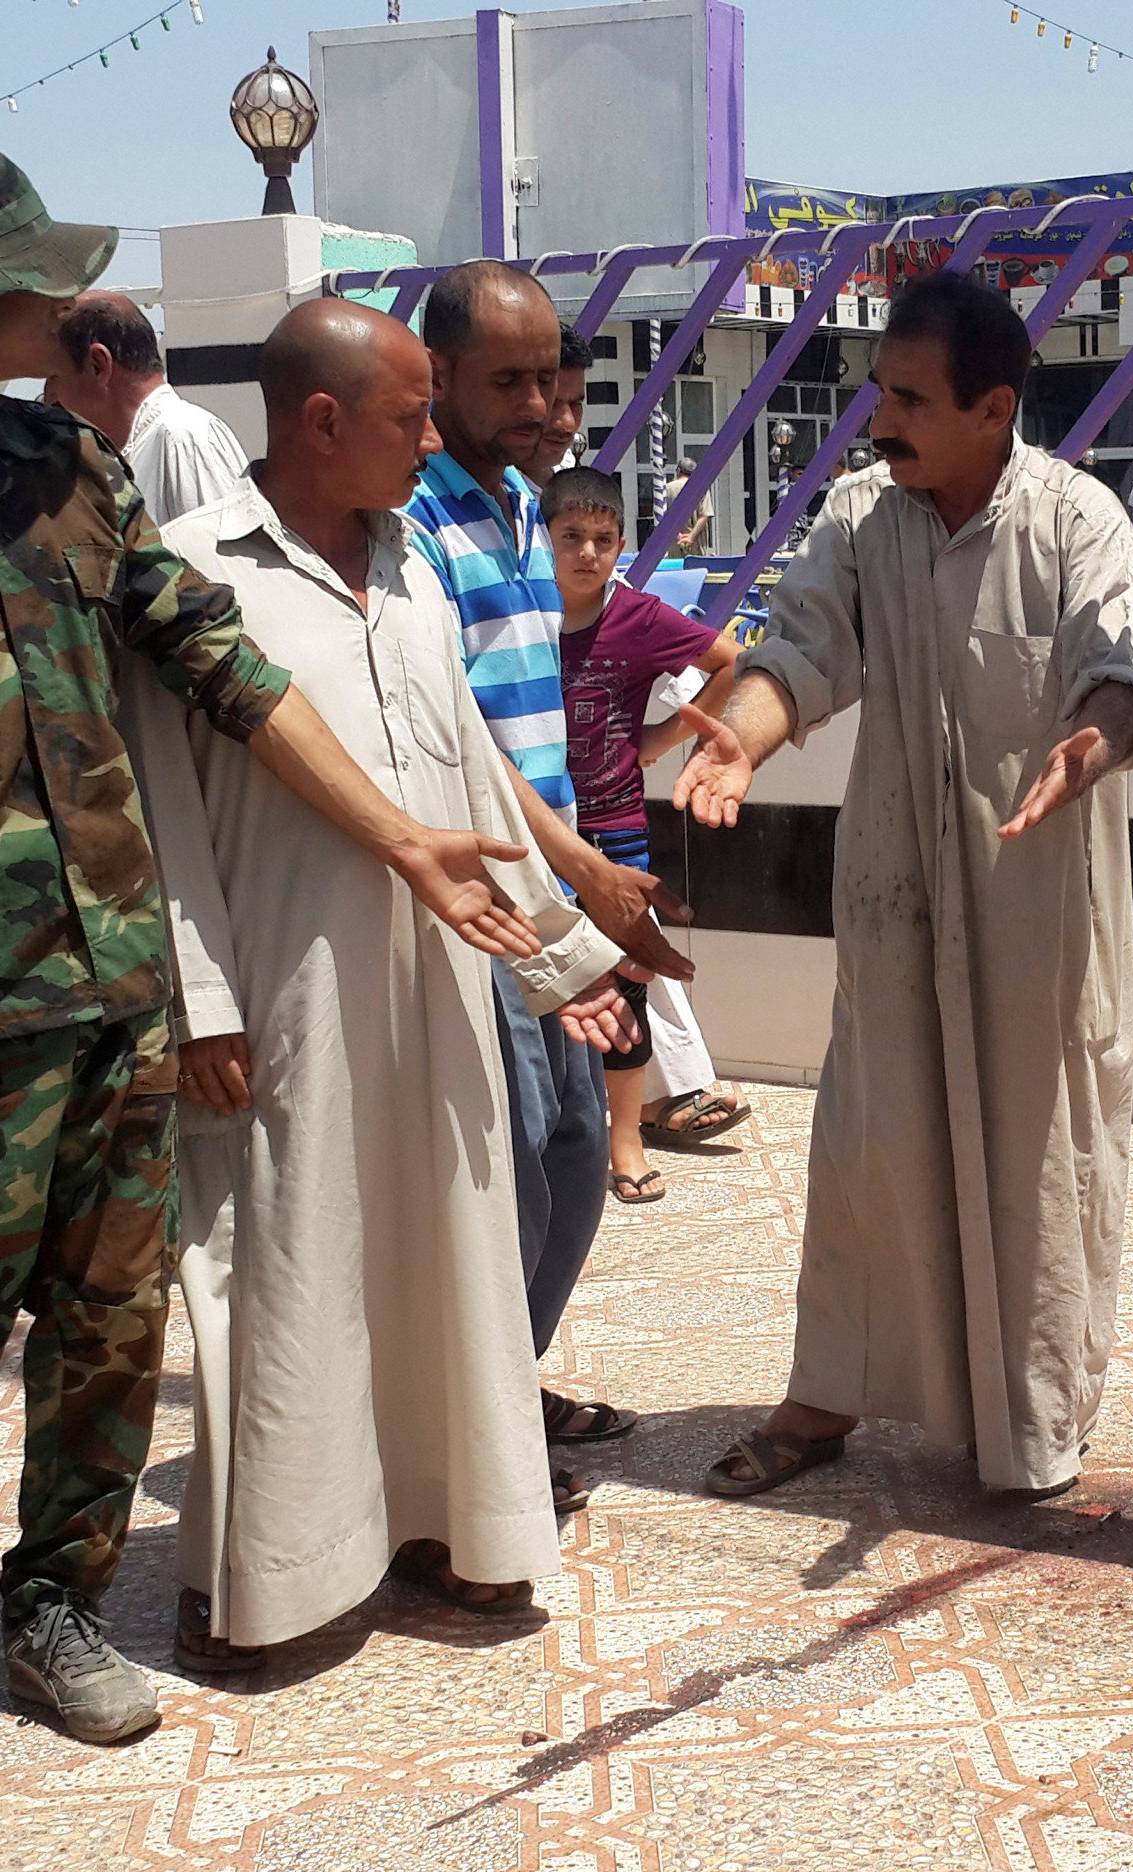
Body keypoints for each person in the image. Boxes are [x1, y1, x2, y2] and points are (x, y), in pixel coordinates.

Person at [0, 157, 544, 1743]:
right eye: (34, 277)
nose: (58, 302)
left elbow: (226, 668)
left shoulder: (67, 469)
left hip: (101, 987)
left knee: (109, 1331)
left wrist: (404, 841)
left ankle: (50, 1602)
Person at [121, 301, 643, 1670]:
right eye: (411, 414)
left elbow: (469, 768)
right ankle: (272, 1577)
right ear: (322, 421)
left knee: (444, 1256)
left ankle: (446, 1525)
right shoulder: (188, 572)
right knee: (284, 1271)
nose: (431, 437)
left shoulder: (409, 562)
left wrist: (558, 953)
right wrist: (203, 1000)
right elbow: (158, 813)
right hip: (285, 983)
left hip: (439, 980)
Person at [676, 273, 1133, 1503]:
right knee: (867, 1146)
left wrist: (1090, 743)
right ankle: (824, 1395)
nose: (878, 419)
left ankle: (1031, 1429)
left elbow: (1123, 668)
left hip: (1037, 920)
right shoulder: (859, 518)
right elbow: (798, 650)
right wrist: (744, 733)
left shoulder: (1078, 522)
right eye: (876, 391)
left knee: (1044, 1159)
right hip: (896, 907)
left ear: (994, 406)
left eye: (908, 397)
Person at [405, 261, 692, 1492]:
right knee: (514, 1166)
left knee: (577, 1149)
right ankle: (466, 1441)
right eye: (509, 381)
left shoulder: (523, 510)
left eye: (549, 380)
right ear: (440, 381)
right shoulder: (413, 524)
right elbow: (455, 738)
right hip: (491, 908)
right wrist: (568, 866)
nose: (542, 404)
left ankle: (495, 1400)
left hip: (559, 900)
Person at [543, 466, 744, 1203]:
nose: (587, 554)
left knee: (627, 988)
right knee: (544, 998)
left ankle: (625, 1140)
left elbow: (726, 661)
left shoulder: (638, 617)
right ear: (546, 541)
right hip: (534, 835)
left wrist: (661, 742)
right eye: (571, 538)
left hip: (614, 832)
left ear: (621, 543)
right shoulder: (522, 618)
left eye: (602, 539)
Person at [43, 291, 248, 525]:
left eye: (55, 375)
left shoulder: (184, 439)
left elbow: (217, 557)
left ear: (97, 365)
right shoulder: (124, 450)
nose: (54, 396)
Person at [528, 323, 593, 487]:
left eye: (576, 404)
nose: (568, 423)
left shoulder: (571, 483)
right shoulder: (475, 494)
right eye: (551, 402)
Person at [666, 453, 714, 555]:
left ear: (678, 471)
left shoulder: (668, 489)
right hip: (697, 545)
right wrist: (691, 537)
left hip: (675, 545)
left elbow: (664, 518)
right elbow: (705, 516)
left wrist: (677, 535)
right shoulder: (701, 488)